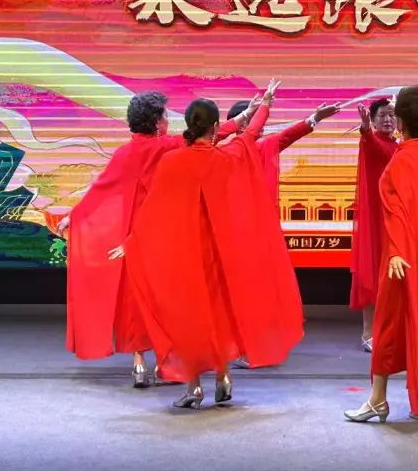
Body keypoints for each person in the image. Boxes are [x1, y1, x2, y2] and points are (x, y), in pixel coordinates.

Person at [123, 80, 304, 409]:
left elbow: (153, 210)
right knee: (219, 315)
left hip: (186, 253)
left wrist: (133, 241)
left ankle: (194, 386)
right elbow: (250, 135)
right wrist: (265, 103)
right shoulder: (226, 157)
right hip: (220, 253)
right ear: (216, 127)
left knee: (190, 317)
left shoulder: (172, 161)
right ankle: (223, 377)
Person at [60, 93, 247, 388]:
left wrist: (74, 216)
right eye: (164, 116)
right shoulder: (166, 147)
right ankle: (166, 362)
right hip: (162, 232)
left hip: (132, 234)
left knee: (135, 299)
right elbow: (209, 135)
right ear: (156, 122)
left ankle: (139, 364)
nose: (167, 120)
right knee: (165, 297)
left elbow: (101, 189)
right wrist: (244, 119)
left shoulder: (124, 154)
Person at [344, 86, 418, 423]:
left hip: (400, 256)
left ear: (401, 121)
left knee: (389, 325)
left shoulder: (400, 161)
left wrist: (394, 252)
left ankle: (378, 399)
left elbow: (396, 214)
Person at [224, 98, 341, 369]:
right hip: (234, 234)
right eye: (255, 119)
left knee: (259, 292)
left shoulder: (264, 147)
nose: (261, 125)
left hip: (260, 234)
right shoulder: (226, 153)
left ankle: (255, 347)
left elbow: (290, 134)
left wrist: (315, 118)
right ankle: (241, 345)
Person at [349, 97, 399, 351]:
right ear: (374, 120)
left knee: (393, 276)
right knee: (373, 273)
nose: (388, 120)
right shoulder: (371, 140)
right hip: (376, 217)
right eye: (382, 116)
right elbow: (372, 145)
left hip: (396, 215)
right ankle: (368, 332)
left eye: (392, 115)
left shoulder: (400, 145)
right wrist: (366, 128)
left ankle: (390, 330)